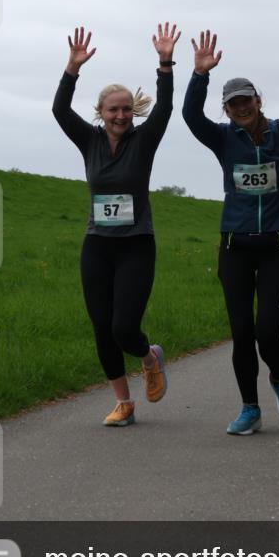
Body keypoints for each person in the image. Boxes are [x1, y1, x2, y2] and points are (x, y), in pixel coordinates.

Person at [182, 26, 279, 435]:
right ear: (227, 110)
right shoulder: (222, 139)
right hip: (234, 248)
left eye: (245, 100)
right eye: (232, 104)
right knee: (241, 333)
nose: (240, 108)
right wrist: (199, 76)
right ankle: (250, 408)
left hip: (277, 247)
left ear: (258, 101)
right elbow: (191, 116)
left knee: (268, 331)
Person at [52, 23, 180, 426]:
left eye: (126, 109)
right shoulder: (88, 140)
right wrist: (71, 69)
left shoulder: (144, 140)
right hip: (97, 245)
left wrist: (165, 63)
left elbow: (165, 108)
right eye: (114, 110)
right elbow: (59, 110)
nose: (122, 115)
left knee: (124, 327)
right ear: (101, 114)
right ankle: (124, 404)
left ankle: (149, 357)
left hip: (136, 244)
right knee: (101, 329)